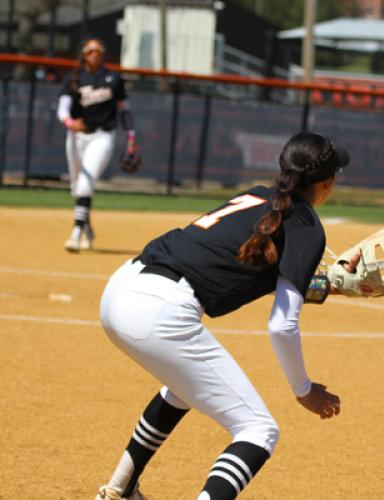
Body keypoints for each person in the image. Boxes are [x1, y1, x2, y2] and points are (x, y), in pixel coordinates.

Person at [96, 131, 359, 500]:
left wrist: (329, 283)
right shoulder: (307, 224)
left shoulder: (256, 196)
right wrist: (303, 390)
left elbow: (252, 268)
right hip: (160, 311)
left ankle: (119, 490)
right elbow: (282, 324)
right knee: (258, 430)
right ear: (327, 183)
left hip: (120, 289)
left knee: (183, 389)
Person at [57, 37, 137, 252]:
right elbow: (62, 108)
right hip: (76, 137)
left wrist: (131, 138)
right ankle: (87, 226)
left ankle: (75, 233)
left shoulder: (113, 78)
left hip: (103, 135)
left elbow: (125, 110)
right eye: (91, 51)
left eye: (98, 51)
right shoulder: (74, 77)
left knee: (85, 181)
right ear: (84, 53)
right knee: (78, 188)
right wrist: (69, 122)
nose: (95, 54)